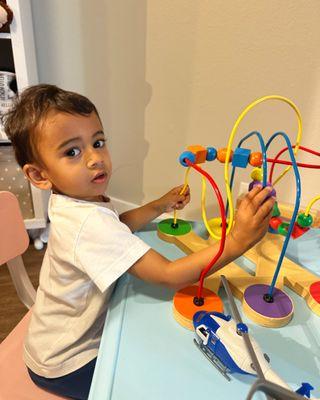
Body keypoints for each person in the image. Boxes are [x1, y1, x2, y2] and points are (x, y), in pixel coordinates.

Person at [2, 84, 275, 400]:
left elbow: (116, 226)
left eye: (98, 142)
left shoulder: (74, 201)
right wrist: (237, 241)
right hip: (66, 361)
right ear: (39, 176)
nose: (95, 159)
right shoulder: (86, 222)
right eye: (72, 152)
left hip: (51, 342)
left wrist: (158, 206)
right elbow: (168, 275)